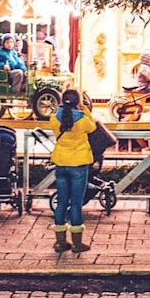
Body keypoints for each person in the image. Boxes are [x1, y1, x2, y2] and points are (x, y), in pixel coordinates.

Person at [48, 89, 97, 252]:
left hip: (61, 164)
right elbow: (93, 127)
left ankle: (60, 242)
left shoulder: (54, 118)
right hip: (79, 164)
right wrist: (85, 109)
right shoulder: (82, 119)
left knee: (61, 203)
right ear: (77, 102)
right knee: (75, 204)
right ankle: (77, 243)